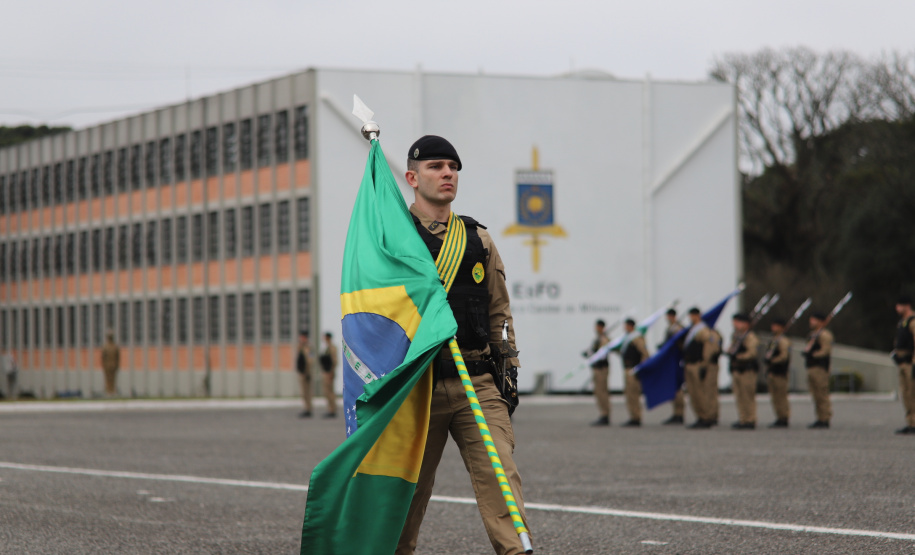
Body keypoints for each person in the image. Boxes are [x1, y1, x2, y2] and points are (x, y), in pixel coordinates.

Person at [398, 135, 530, 555]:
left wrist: (508, 368)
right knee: (406, 493)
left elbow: (499, 314)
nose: (447, 173)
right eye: (436, 166)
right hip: (416, 386)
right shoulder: (393, 239)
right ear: (412, 177)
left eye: (452, 166)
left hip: (477, 379)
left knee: (502, 477)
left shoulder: (479, 240)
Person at [683, 308, 715, 429]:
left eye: (694, 315)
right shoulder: (692, 329)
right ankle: (700, 416)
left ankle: (706, 417)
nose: (692, 317)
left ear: (699, 316)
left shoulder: (702, 330)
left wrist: (704, 363)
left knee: (700, 393)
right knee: (693, 393)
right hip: (689, 364)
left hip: (697, 364)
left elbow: (709, 345)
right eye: (690, 315)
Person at [727, 313, 759, 429]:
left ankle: (750, 419)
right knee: (739, 395)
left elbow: (752, 353)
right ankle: (743, 418)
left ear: (746, 324)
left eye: (738, 322)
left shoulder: (750, 337)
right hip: (737, 369)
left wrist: (739, 356)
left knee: (747, 395)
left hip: (747, 370)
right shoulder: (736, 336)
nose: (735, 325)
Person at [803, 312, 833, 429]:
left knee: (822, 394)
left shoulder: (825, 335)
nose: (811, 322)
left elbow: (825, 350)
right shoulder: (813, 335)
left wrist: (813, 354)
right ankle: (819, 417)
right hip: (811, 367)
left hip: (820, 367)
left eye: (814, 320)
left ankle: (825, 418)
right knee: (815, 394)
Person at [618, 318, 649, 426]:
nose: (624, 328)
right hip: (627, 369)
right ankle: (632, 416)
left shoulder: (636, 338)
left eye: (626, 325)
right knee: (629, 394)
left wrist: (640, 368)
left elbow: (645, 353)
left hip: (633, 369)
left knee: (634, 394)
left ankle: (636, 417)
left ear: (631, 326)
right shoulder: (627, 338)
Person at [891, 296, 915, 435]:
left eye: (900, 305)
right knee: (905, 394)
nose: (897, 308)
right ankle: (910, 422)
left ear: (907, 306)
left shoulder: (912, 321)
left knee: (912, 394)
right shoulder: (902, 322)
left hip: (909, 363)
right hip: (901, 363)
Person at [660, 309, 686, 425]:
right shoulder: (670, 328)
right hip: (670, 360)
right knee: (673, 387)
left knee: (678, 388)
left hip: (677, 360)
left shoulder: (678, 328)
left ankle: (680, 413)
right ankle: (676, 413)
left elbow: (680, 343)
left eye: (670, 316)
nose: (668, 318)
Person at [764, 317, 792, 428]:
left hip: (780, 371)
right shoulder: (773, 340)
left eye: (776, 326)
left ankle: (784, 417)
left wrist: (772, 360)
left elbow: (784, 356)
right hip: (772, 371)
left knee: (781, 396)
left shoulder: (783, 341)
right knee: (775, 396)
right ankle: (779, 416)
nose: (773, 328)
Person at [583, 319, 611, 426]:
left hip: (601, 368)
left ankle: (605, 414)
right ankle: (603, 413)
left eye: (598, 327)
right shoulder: (598, 338)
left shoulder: (604, 339)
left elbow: (602, 354)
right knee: (598, 392)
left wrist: (592, 354)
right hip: (596, 368)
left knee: (602, 391)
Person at [706, 327, 723, 425]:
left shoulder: (714, 334)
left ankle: (712, 415)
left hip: (711, 365)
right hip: (707, 364)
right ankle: (710, 414)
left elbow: (715, 350)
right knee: (708, 391)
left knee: (711, 390)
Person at [319, 332, 338, 418]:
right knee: (327, 392)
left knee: (330, 392)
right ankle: (330, 409)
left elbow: (334, 361)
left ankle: (332, 410)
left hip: (329, 373)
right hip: (326, 372)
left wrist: (331, 372)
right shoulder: (326, 348)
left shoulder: (332, 348)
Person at [296, 330, 312, 418]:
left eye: (302, 337)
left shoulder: (308, 347)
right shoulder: (301, 347)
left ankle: (308, 409)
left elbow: (310, 360)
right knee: (303, 392)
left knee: (307, 392)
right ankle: (306, 408)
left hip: (306, 373)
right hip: (302, 373)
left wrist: (308, 372)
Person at [100, 331, 121, 397]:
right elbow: (103, 357)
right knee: (108, 379)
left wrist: (117, 365)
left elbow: (117, 357)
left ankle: (112, 391)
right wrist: (104, 365)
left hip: (112, 365)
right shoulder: (106, 347)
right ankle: (109, 391)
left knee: (113, 379)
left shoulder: (114, 347)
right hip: (108, 365)